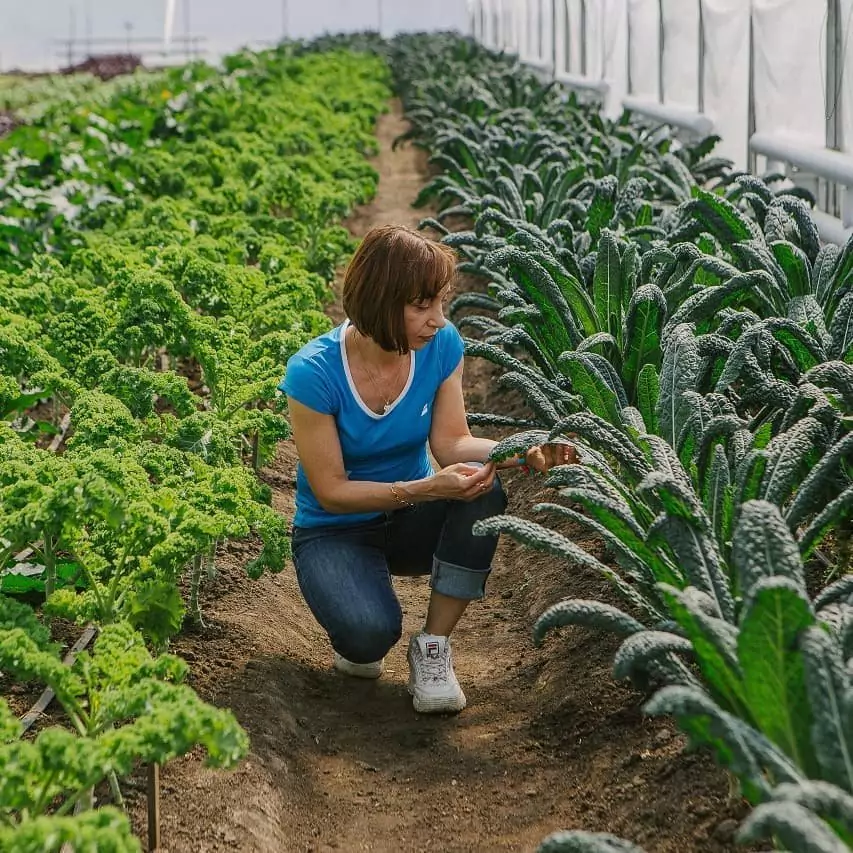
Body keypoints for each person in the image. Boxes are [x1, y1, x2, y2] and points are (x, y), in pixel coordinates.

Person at [280, 224, 577, 714]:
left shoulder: (441, 346)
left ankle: (434, 646)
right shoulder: (313, 372)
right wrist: (426, 488)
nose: (438, 319)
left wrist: (523, 450)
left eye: (441, 302)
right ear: (380, 300)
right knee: (368, 639)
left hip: (408, 521)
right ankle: (358, 620)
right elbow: (332, 491)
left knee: (481, 486)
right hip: (334, 529)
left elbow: (451, 441)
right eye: (422, 305)